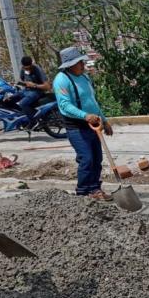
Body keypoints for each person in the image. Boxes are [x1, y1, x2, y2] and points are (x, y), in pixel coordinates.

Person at [53, 47, 112, 201]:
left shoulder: (84, 78)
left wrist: (104, 120)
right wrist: (85, 116)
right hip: (77, 127)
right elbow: (65, 105)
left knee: (97, 158)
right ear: (69, 65)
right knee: (86, 159)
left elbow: (92, 102)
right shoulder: (62, 80)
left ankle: (95, 188)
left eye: (82, 61)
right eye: (79, 62)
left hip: (93, 124)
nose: (82, 65)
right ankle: (83, 191)